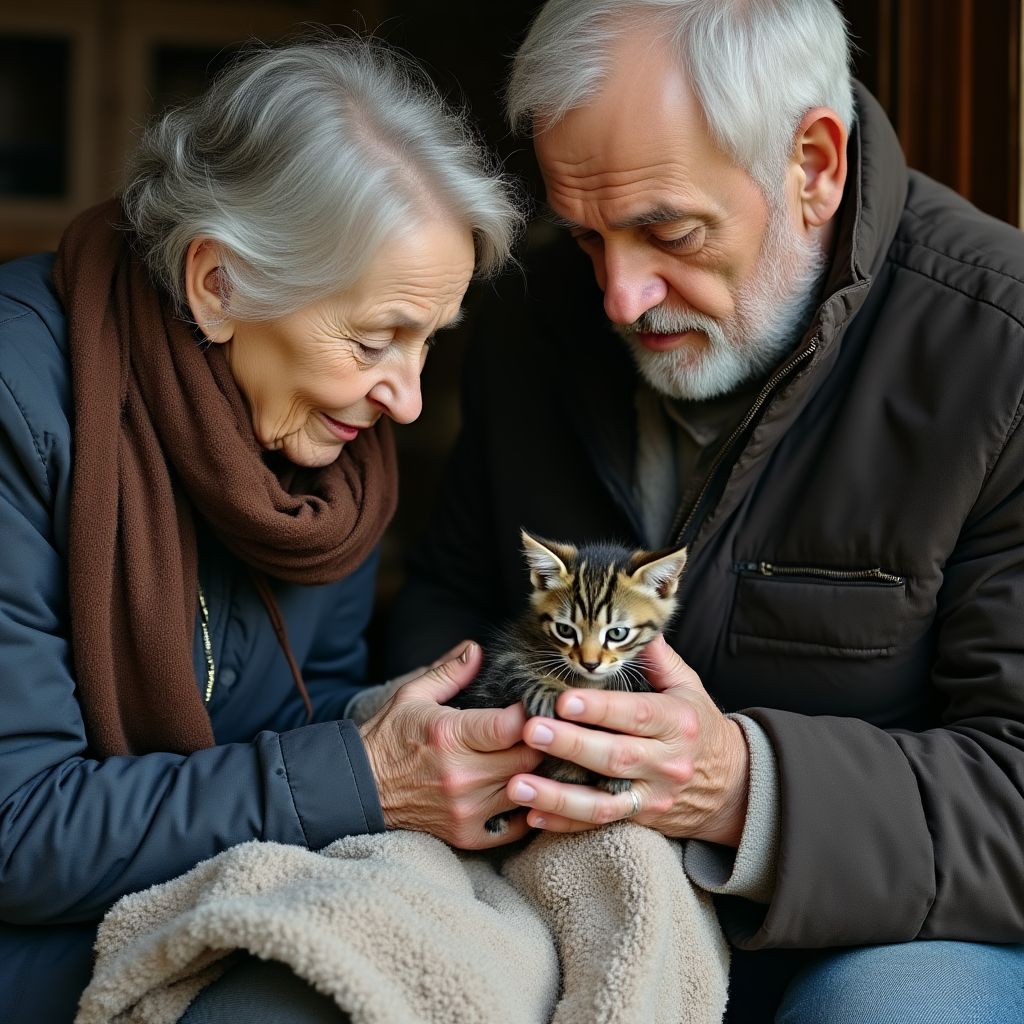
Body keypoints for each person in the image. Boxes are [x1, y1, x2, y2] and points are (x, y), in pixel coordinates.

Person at [387, 1, 1024, 1020]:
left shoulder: (1000, 351)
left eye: (667, 232)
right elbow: (455, 590)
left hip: (891, 926)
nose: (619, 299)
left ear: (812, 165)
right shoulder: (535, 320)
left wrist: (744, 788)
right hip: (557, 871)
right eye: (585, 234)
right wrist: (456, 726)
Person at [0, 34, 532, 1023]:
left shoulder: (335, 465)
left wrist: (419, 753)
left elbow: (306, 732)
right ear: (217, 284)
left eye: (428, 342)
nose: (408, 401)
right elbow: (15, 829)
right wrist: (359, 775)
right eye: (374, 340)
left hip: (205, 897)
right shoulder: (16, 402)